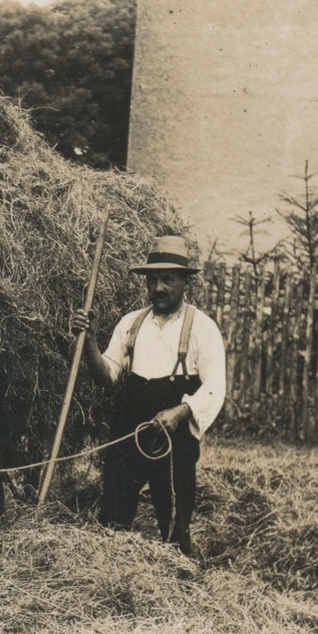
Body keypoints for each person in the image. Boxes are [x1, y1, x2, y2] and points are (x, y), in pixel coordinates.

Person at [68, 236, 227, 556]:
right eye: (152, 279)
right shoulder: (131, 324)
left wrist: (180, 412)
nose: (158, 288)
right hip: (129, 430)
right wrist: (89, 341)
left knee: (173, 519)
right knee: (113, 514)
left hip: (174, 436)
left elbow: (214, 387)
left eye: (167, 279)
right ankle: (112, 570)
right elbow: (108, 376)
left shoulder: (202, 328)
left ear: (185, 282)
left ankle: (179, 571)